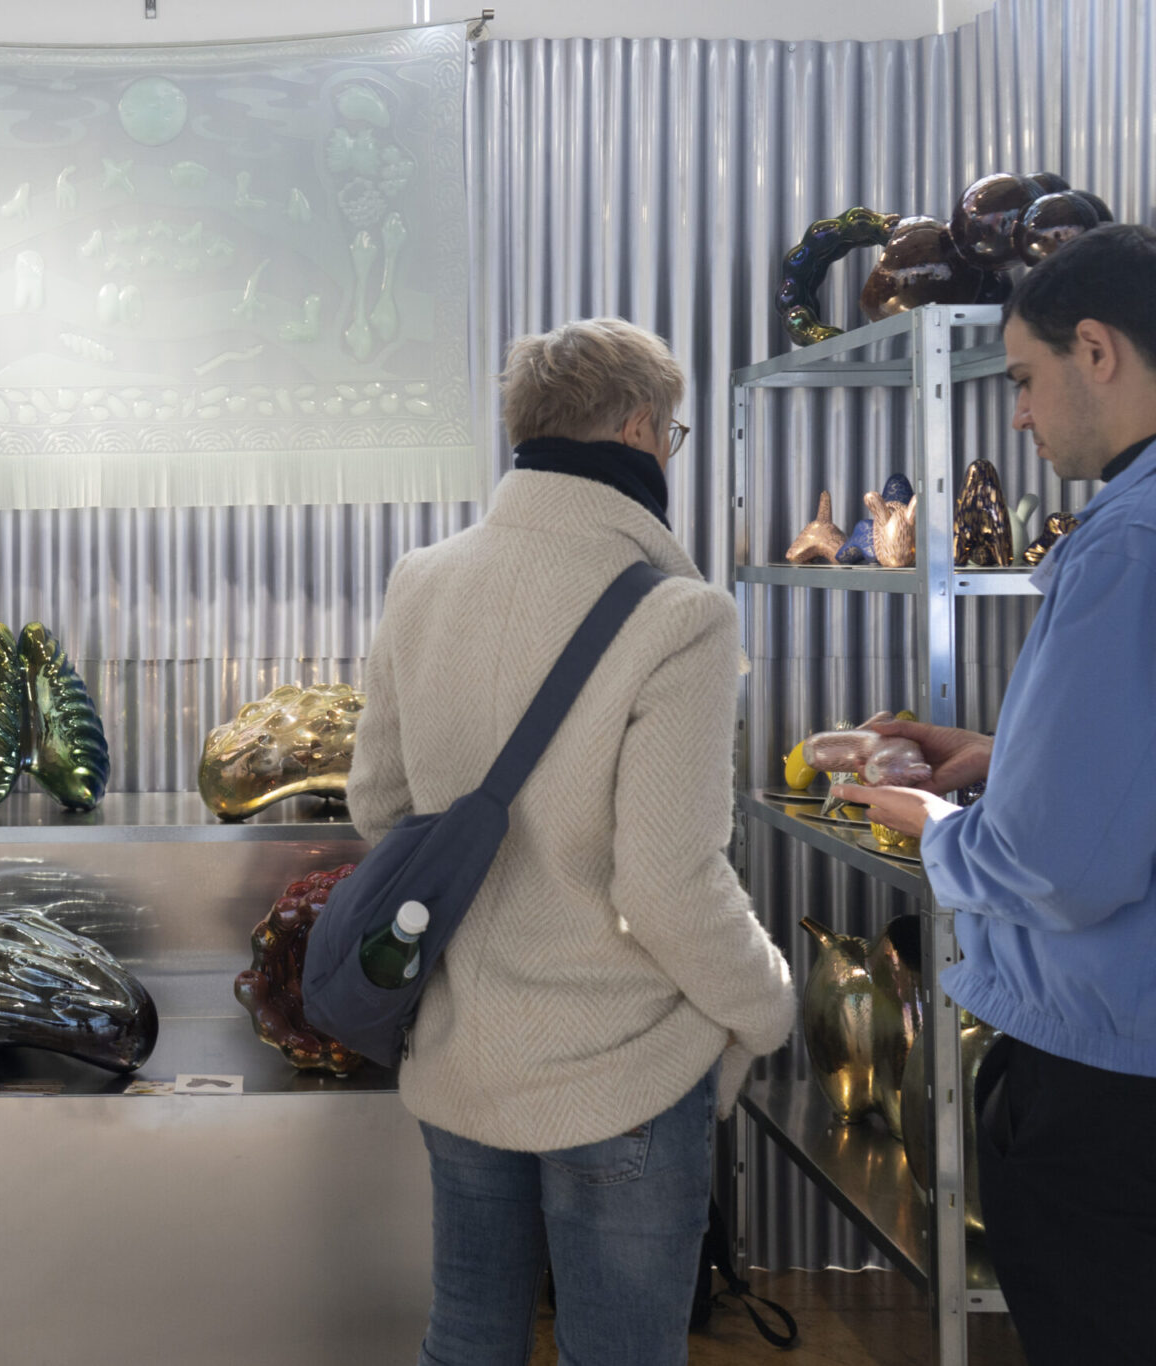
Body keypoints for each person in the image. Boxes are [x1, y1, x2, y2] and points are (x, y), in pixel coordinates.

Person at [348, 318, 795, 1366]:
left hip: (461, 1049)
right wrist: (767, 1003)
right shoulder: (680, 617)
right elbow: (668, 882)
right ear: (638, 428)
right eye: (671, 433)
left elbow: (379, 807)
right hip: (619, 1069)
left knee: (467, 1336)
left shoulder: (422, 579)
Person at [831, 222, 1156, 1366]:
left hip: (1112, 1079)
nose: (1016, 414)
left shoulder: (1124, 543)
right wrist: (999, 749)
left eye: (1021, 378)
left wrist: (933, 826)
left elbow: (1060, 869)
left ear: (1095, 350)